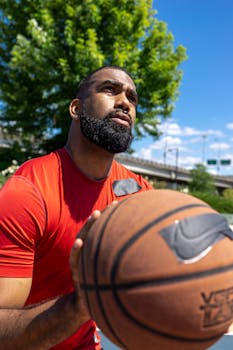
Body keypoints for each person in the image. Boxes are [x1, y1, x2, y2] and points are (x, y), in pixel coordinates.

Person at [0, 65, 153, 349]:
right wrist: (78, 307)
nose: (125, 103)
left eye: (132, 98)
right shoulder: (27, 192)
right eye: (110, 89)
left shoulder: (139, 193)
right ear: (75, 108)